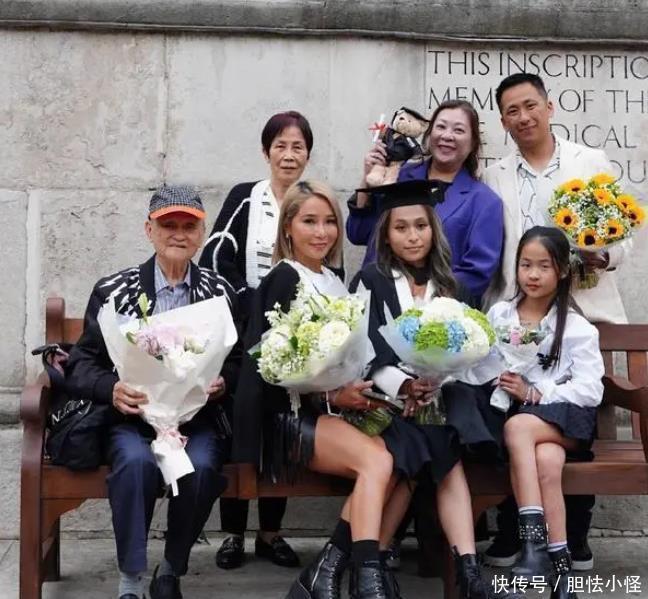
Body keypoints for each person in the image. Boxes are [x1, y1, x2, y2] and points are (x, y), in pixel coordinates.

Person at [482, 72, 628, 571]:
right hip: (522, 309)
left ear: (549, 107)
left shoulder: (589, 162)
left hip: (584, 306)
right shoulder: (495, 175)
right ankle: (515, 531)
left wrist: (601, 254)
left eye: (531, 106)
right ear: (503, 121)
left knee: (581, 419)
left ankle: (575, 535)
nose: (523, 117)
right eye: (512, 111)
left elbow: (622, 237)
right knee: (513, 414)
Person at [66, 185, 241, 599]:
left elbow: (236, 360)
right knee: (134, 464)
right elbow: (81, 363)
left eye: (189, 226)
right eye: (168, 225)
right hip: (133, 417)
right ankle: (130, 580)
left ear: (201, 234)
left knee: (202, 467)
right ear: (149, 230)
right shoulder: (114, 290)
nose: (179, 234)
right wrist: (111, 389)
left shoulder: (219, 293)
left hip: (194, 420)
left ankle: (171, 571)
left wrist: (223, 382)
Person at [349, 180, 520, 599]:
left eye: (421, 226)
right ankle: (467, 569)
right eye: (401, 227)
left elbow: (472, 353)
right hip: (386, 403)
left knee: (434, 439)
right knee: (434, 445)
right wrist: (406, 386)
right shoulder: (371, 280)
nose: (412, 236)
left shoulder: (455, 287)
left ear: (434, 230)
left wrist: (437, 382)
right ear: (386, 234)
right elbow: (364, 351)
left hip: (443, 402)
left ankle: (373, 567)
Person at [232, 179, 395, 599]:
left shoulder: (334, 280)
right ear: (287, 227)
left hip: (332, 412)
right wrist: (328, 396)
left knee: (395, 457)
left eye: (329, 221)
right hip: (287, 419)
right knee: (376, 462)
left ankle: (324, 573)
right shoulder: (285, 278)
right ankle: (367, 580)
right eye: (309, 221)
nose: (321, 232)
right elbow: (268, 368)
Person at [199, 111, 314, 569]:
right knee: (238, 428)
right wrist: (251, 304)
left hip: (293, 335)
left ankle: (271, 533)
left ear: (308, 155)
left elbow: (327, 263)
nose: (288, 155)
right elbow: (215, 256)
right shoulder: (245, 197)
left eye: (297, 146)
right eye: (280, 145)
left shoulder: (311, 201)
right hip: (244, 333)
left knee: (279, 430)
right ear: (266, 152)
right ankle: (232, 535)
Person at [492, 226, 604, 599]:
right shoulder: (500, 314)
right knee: (546, 462)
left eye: (544, 266)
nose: (534, 274)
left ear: (563, 270)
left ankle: (532, 548)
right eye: (526, 264)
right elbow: (481, 366)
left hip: (567, 420)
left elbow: (591, 390)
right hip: (526, 427)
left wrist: (537, 393)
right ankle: (560, 575)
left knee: (520, 428)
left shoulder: (576, 327)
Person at [346, 100, 503, 305]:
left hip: (437, 310)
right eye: (441, 126)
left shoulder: (485, 202)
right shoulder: (398, 176)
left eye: (458, 130)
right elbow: (358, 234)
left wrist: (423, 299)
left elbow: (477, 273)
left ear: (473, 142)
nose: (447, 136)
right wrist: (367, 179)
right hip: (375, 299)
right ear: (429, 134)